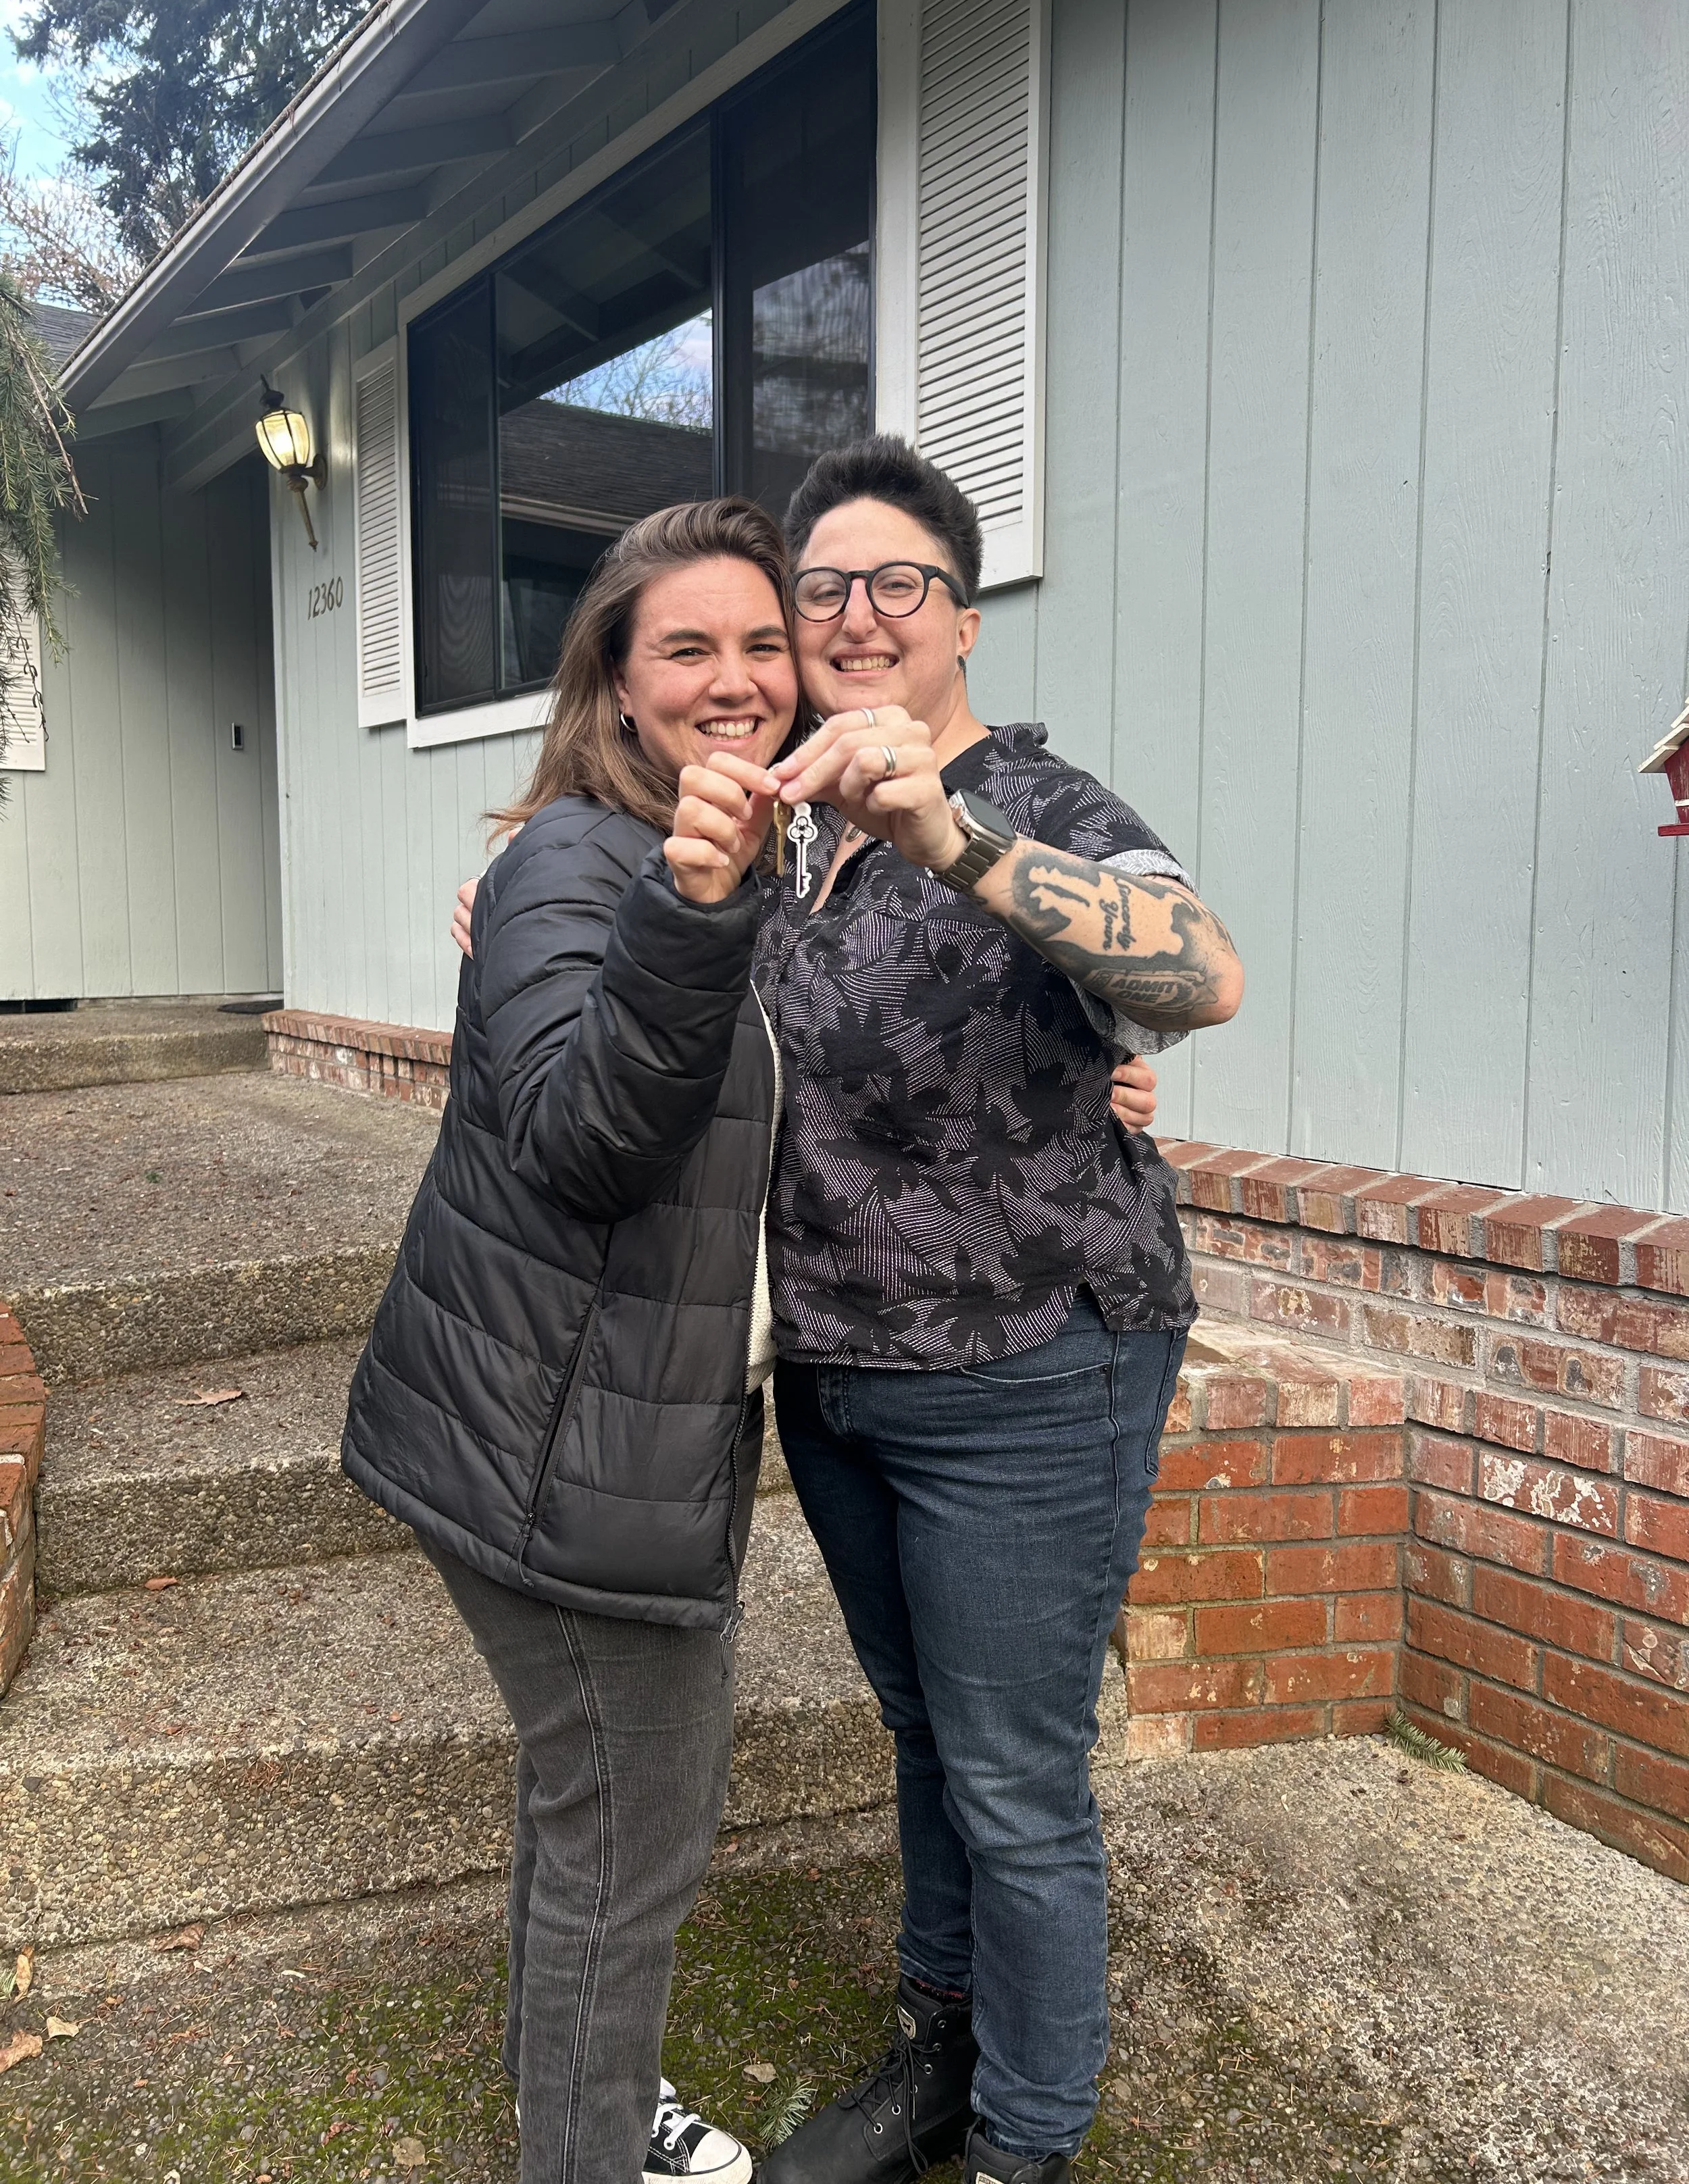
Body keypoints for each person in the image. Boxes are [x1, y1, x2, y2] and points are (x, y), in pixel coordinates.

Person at [745, 437, 1242, 2184]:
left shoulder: (1040, 802)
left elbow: (1200, 970)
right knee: (920, 1736)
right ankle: (939, 2061)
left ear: (959, 615)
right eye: (822, 588)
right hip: (837, 1371)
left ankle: (1027, 2142)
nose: (857, 614)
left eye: (896, 583)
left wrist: (947, 836)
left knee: (1016, 1780)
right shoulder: (785, 838)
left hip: (1034, 1363)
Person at [343, 497, 809, 2184]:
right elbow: (580, 1140)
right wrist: (686, 906)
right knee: (631, 1841)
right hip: (557, 1450)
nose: (736, 676)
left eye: (763, 642)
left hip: (600, 1420)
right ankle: (586, 2151)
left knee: (590, 1820)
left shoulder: (752, 856)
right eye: (687, 645)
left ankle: (586, 2113)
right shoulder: (574, 860)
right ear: (614, 684)